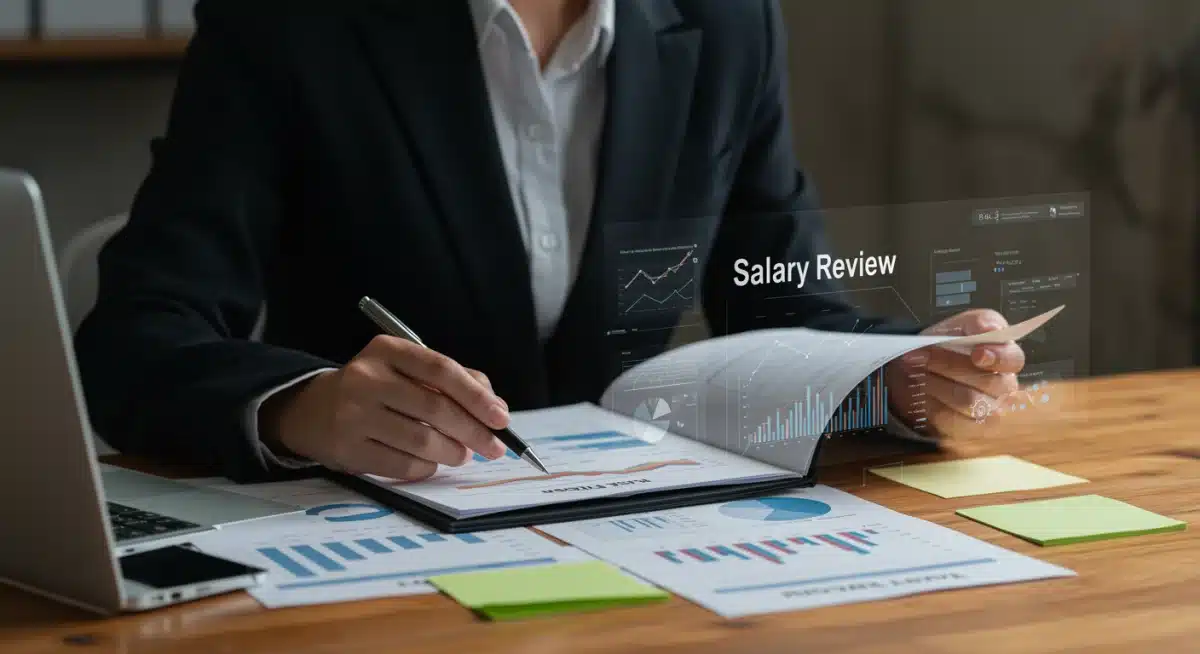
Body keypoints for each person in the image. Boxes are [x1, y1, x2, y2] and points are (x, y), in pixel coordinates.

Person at [75, 0, 1024, 483]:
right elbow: (137, 336)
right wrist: (299, 407)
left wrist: (898, 375)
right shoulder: (292, 21)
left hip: (638, 550)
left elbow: (781, 303)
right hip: (370, 545)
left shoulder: (726, 18)